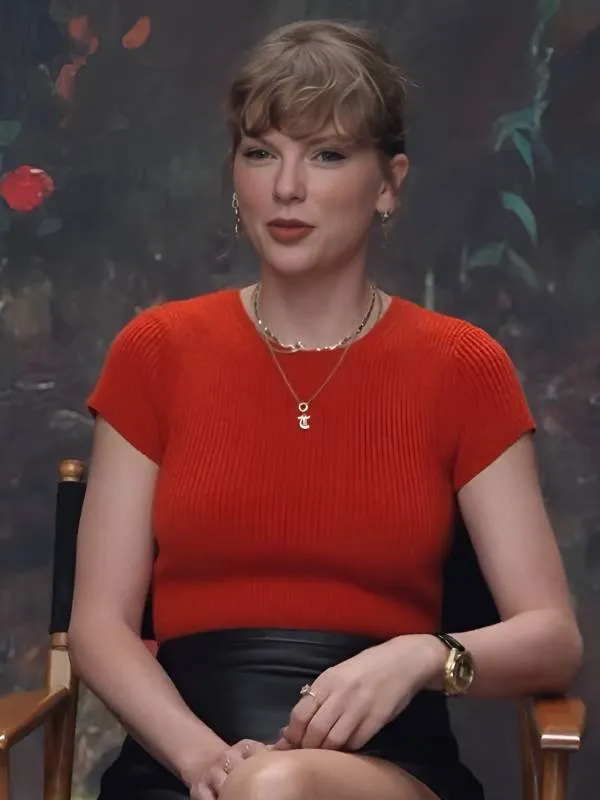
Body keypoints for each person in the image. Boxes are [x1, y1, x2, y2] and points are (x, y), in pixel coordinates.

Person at [69, 18, 583, 800]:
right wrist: (205, 761)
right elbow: (98, 628)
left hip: (389, 768)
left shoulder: (462, 367)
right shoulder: (155, 351)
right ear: (235, 174)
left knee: (277, 789)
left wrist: (422, 655)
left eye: (328, 155)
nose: (287, 187)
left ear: (389, 184)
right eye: (261, 152)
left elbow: (552, 639)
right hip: (180, 765)